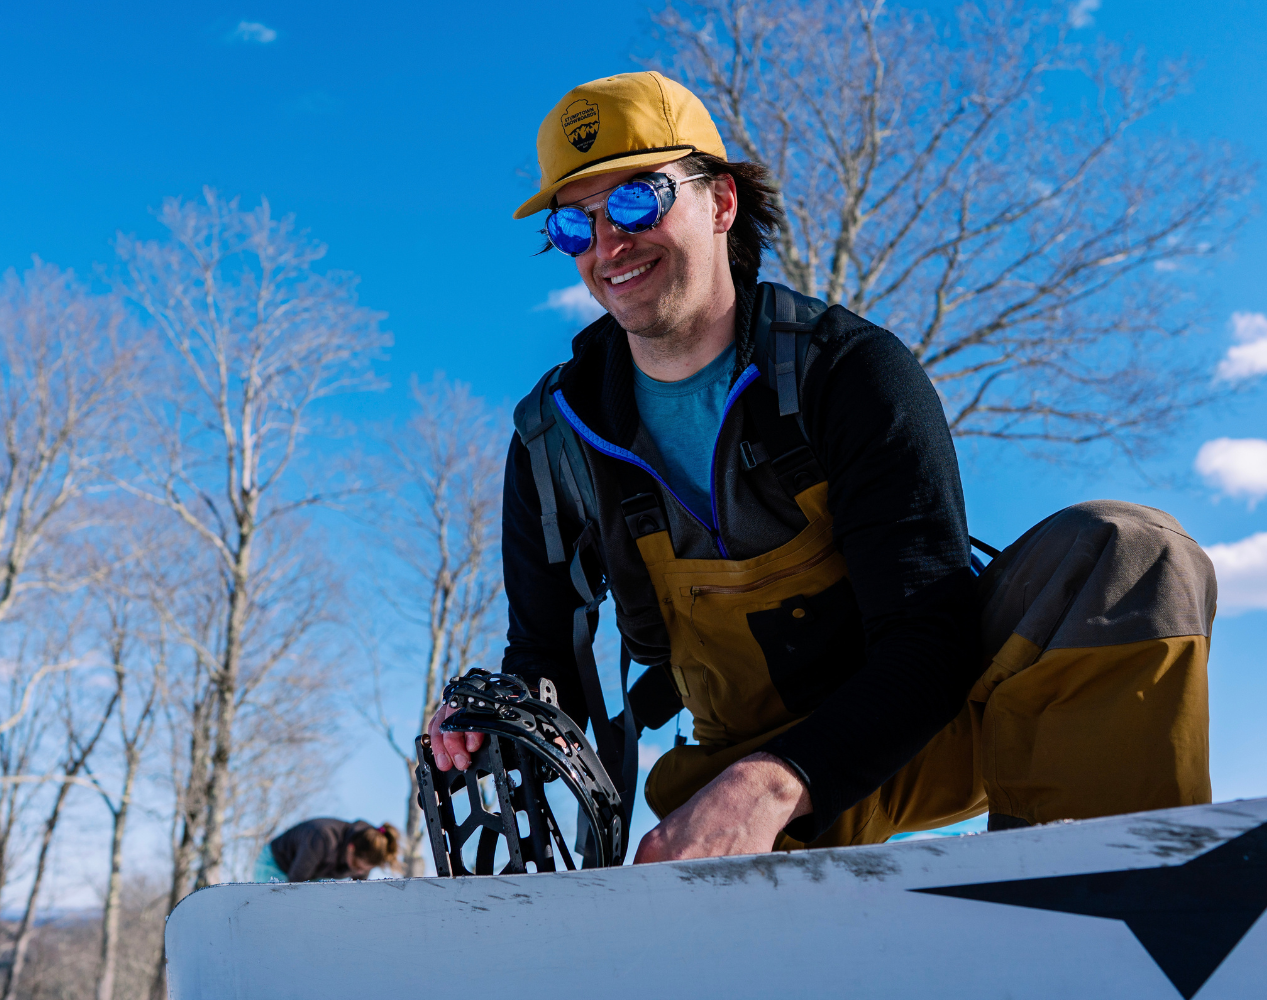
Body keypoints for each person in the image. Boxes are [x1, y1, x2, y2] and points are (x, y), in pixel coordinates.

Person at [426, 71, 1217, 863]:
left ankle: (1082, 902)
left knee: (1128, 551)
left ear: (721, 202)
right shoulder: (552, 440)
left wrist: (773, 784)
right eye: (574, 224)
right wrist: (495, 715)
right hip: (728, 773)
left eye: (638, 200)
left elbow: (930, 639)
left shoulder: (847, 373)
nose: (606, 245)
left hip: (922, 725)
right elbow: (544, 658)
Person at [254, 818, 399, 883]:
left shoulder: (365, 856)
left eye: (365, 869)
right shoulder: (322, 838)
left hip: (313, 873)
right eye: (357, 866)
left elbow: (358, 894)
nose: (359, 872)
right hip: (276, 863)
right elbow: (294, 883)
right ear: (351, 847)